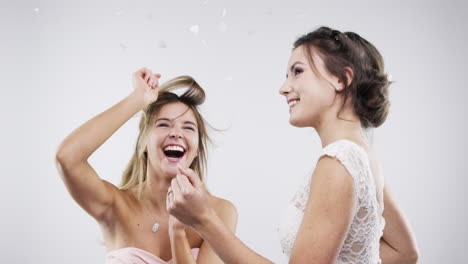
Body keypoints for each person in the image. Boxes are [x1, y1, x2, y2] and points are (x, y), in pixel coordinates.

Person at [166, 27, 419, 263]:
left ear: (341, 79)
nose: (283, 88)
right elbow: (403, 252)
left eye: (297, 71)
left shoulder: (339, 162)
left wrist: (204, 220)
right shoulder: (361, 157)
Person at [55, 68, 237, 264]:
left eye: (188, 127)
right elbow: (67, 157)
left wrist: (178, 233)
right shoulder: (114, 205)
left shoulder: (220, 211)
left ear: (197, 149)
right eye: (163, 124)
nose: (176, 133)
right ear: (143, 144)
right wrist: (138, 99)